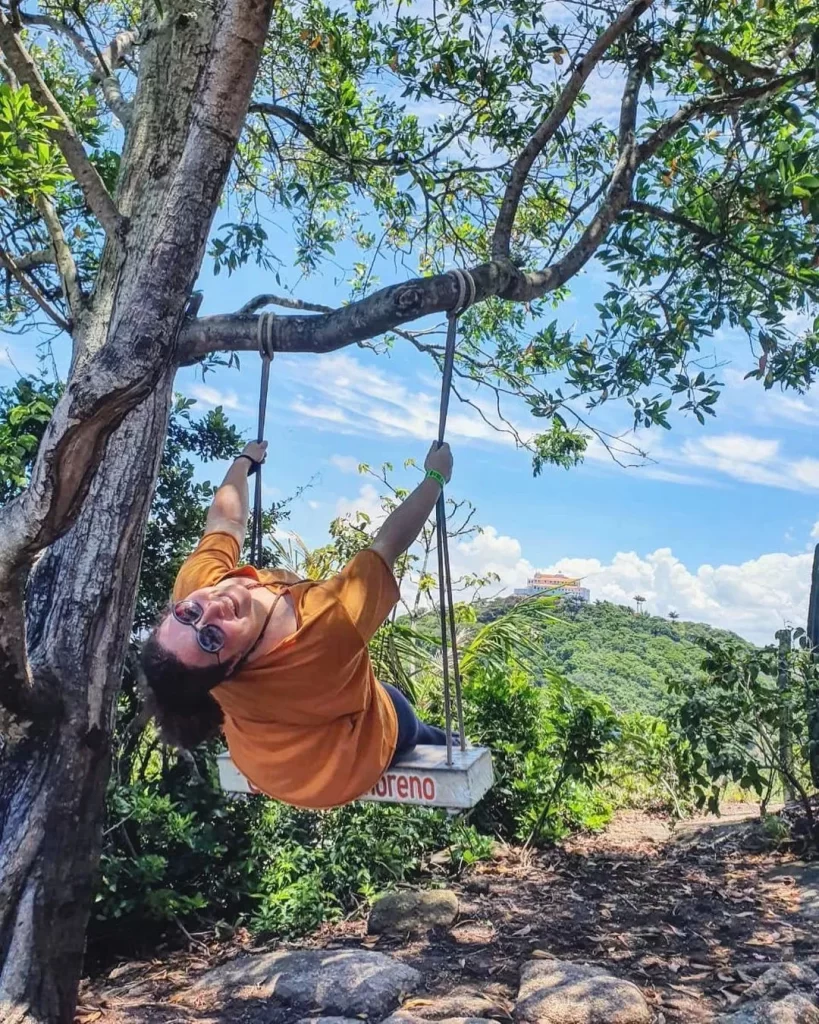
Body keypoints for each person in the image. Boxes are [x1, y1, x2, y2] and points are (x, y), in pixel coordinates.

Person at [140, 439, 456, 810]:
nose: (211, 611)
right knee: (398, 708)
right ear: (230, 667)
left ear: (175, 608)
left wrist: (244, 461)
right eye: (211, 638)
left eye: (188, 614)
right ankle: (440, 737)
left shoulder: (196, 589)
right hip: (342, 767)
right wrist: (436, 476)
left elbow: (225, 521)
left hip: (264, 764)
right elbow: (386, 545)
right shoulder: (323, 628)